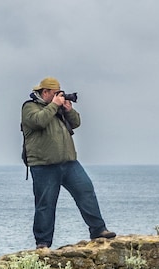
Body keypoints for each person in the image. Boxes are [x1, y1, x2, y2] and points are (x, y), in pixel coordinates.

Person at [21, 76, 116, 249]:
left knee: (86, 190)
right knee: (46, 204)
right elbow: (38, 122)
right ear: (45, 92)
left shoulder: (55, 108)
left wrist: (68, 109)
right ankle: (42, 243)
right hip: (43, 165)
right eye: (55, 93)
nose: (58, 95)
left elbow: (76, 123)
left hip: (69, 162)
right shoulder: (29, 107)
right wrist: (55, 105)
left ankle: (98, 230)